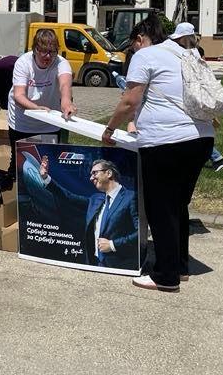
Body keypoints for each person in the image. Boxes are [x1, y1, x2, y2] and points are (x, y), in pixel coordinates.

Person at [103, 20, 215, 293]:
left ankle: (165, 276)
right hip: (201, 139)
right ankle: (180, 266)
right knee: (177, 205)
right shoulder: (186, 53)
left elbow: (131, 100)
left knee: (161, 207)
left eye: (132, 44)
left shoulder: (145, 56)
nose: (132, 50)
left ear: (140, 38)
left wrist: (109, 129)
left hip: (166, 142)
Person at [22, 156, 138, 269]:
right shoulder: (96, 199)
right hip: (94, 264)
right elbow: (68, 197)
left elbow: (140, 233)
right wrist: (46, 178)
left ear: (108, 173)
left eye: (94, 173)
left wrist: (112, 245)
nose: (91, 178)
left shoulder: (131, 197)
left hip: (121, 266)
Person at [7, 29, 77, 176]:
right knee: (19, 166)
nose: (48, 56)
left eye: (52, 52)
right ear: (35, 49)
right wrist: (36, 108)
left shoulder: (61, 63)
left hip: (49, 122)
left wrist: (66, 102)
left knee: (49, 163)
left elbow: (65, 86)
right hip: (22, 122)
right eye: (44, 52)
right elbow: (19, 96)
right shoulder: (23, 63)